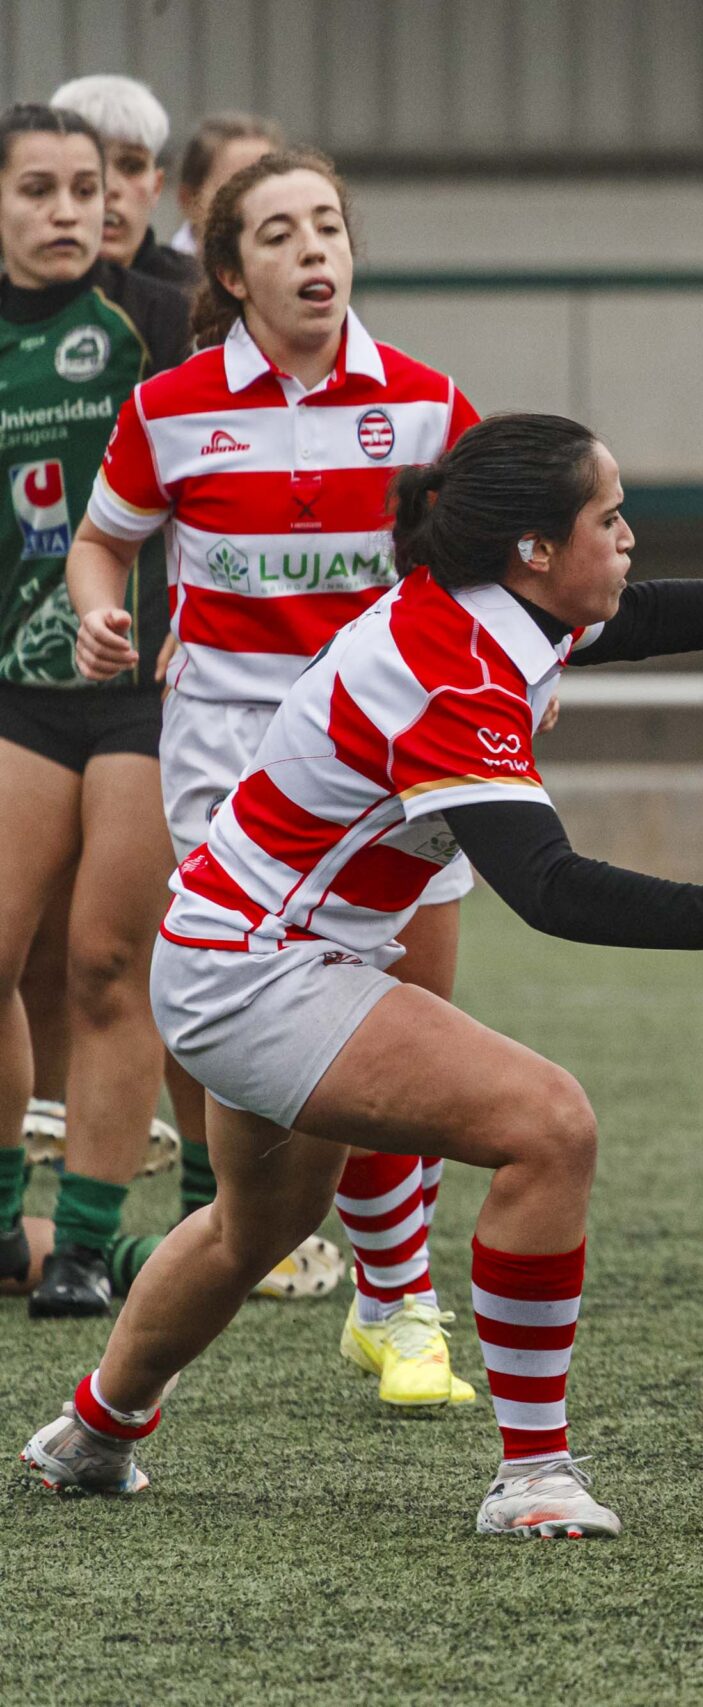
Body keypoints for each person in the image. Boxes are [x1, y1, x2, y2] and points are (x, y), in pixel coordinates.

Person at [22, 411, 703, 1537]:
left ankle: (92, 1431)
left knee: (253, 1227)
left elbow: (636, 619)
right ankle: (532, 1478)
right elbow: (549, 889)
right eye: (608, 518)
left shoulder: (500, 608)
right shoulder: (454, 674)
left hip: (244, 943)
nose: (628, 539)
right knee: (547, 1125)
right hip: (258, 969)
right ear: (532, 548)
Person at [63, 149, 480, 1387]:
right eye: (285, 235)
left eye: (333, 229)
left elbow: (482, 583)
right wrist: (97, 609)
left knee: (417, 1035)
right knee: (283, 1039)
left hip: (400, 756)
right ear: (231, 271)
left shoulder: (426, 403)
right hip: (231, 763)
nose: (316, 253)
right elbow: (102, 543)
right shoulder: (170, 408)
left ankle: (392, 1298)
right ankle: (282, 1249)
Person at [0, 104, 190, 1316]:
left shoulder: (158, 322)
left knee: (110, 962)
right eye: (38, 190)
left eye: (87, 188)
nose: (71, 210)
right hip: (13, 688)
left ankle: (82, 1238)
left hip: (142, 691)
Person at [47, 75, 197, 293]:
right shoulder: (17, 293)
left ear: (156, 186)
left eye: (131, 166)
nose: (108, 187)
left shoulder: (201, 294)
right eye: (88, 165)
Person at [170, 113, 283, 261]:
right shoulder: (160, 280)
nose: (259, 202)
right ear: (189, 199)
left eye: (270, 187)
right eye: (238, 189)